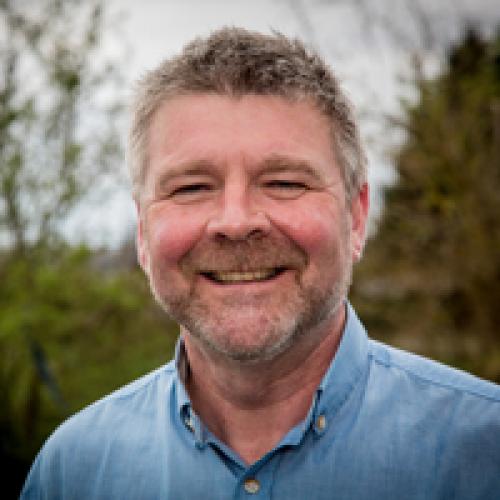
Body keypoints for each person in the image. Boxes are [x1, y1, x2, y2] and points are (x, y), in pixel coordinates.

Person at [21, 27, 500, 500]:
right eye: (191, 187)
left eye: (285, 183)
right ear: (142, 231)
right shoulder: (72, 472)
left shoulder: (485, 452)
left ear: (356, 217)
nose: (235, 222)